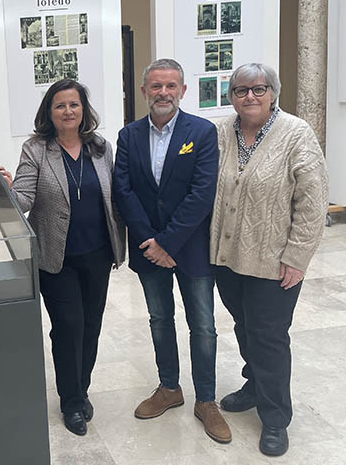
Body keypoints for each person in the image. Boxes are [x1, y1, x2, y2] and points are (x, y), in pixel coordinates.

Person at [211, 63, 328, 457]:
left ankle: (276, 417)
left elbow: (312, 202)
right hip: (226, 259)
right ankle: (255, 385)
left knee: (269, 336)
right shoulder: (221, 132)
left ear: (273, 93)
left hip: (273, 261)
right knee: (244, 326)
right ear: (231, 95)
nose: (250, 97)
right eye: (241, 90)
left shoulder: (296, 134)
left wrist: (297, 256)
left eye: (259, 89)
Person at [0, 79, 125, 436]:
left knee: (92, 327)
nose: (68, 111)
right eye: (60, 106)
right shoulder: (36, 149)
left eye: (74, 104)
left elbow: (115, 197)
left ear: (83, 109)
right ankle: (71, 402)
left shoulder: (101, 148)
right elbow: (23, 199)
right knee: (69, 327)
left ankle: (81, 388)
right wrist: (6, 189)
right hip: (57, 258)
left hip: (98, 254)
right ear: (49, 113)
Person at [112, 58, 230, 443]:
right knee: (159, 319)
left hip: (190, 248)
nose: (164, 92)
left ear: (183, 90)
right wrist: (151, 242)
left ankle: (206, 401)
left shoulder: (203, 131)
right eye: (156, 86)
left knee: (204, 325)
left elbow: (202, 193)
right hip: (149, 250)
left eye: (171, 86)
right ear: (144, 91)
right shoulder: (128, 135)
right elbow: (124, 191)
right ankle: (169, 388)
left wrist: (168, 242)